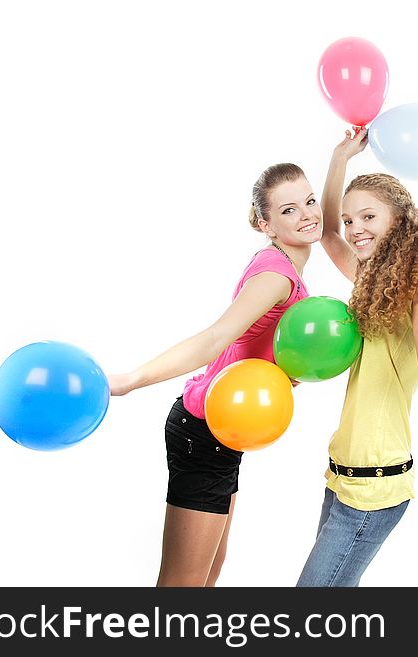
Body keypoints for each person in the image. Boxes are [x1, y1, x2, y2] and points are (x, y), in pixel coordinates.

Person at [108, 163, 321, 587]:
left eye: (310, 202)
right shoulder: (275, 274)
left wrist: (342, 155)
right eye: (289, 211)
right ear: (266, 222)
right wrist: (132, 380)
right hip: (204, 432)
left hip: (225, 430)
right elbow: (214, 338)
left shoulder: (288, 258)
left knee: (208, 573)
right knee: (181, 587)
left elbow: (329, 219)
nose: (308, 215)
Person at [296, 128, 418, 587]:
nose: (356, 229)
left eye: (369, 216)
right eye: (351, 219)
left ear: (399, 220)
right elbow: (329, 233)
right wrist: (339, 157)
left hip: (373, 489)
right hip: (341, 478)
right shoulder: (374, 279)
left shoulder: (417, 284)